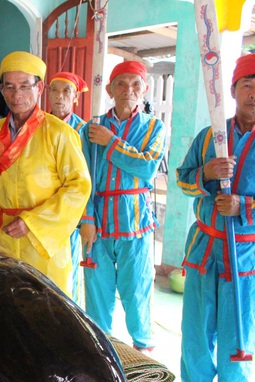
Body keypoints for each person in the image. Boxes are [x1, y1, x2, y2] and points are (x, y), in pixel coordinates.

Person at [169, 51, 255, 382]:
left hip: (249, 251)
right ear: (233, 90)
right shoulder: (211, 135)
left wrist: (245, 206)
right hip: (205, 244)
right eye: (248, 85)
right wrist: (206, 173)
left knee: (239, 322)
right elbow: (181, 179)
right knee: (197, 318)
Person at [0, 51, 91, 297]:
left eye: (25, 86)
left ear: (39, 88)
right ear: (2, 90)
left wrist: (32, 222)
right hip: (2, 239)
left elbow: (78, 186)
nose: (17, 95)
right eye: (10, 87)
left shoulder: (59, 133)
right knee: (7, 307)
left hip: (42, 244)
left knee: (46, 311)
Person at [79, 61, 166, 353]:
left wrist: (112, 143)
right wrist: (86, 218)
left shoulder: (154, 127)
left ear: (145, 89)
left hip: (136, 220)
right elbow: (83, 178)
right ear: (109, 89)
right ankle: (100, 352)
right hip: (99, 220)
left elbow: (147, 168)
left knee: (137, 288)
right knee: (97, 289)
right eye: (121, 84)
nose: (128, 90)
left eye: (136, 84)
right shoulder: (91, 128)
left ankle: (143, 350)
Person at [48, 71, 89, 304]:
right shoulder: (40, 125)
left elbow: (87, 178)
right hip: (42, 208)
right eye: (55, 90)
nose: (60, 96)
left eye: (66, 91)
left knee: (68, 268)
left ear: (75, 98)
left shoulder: (84, 131)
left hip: (70, 213)